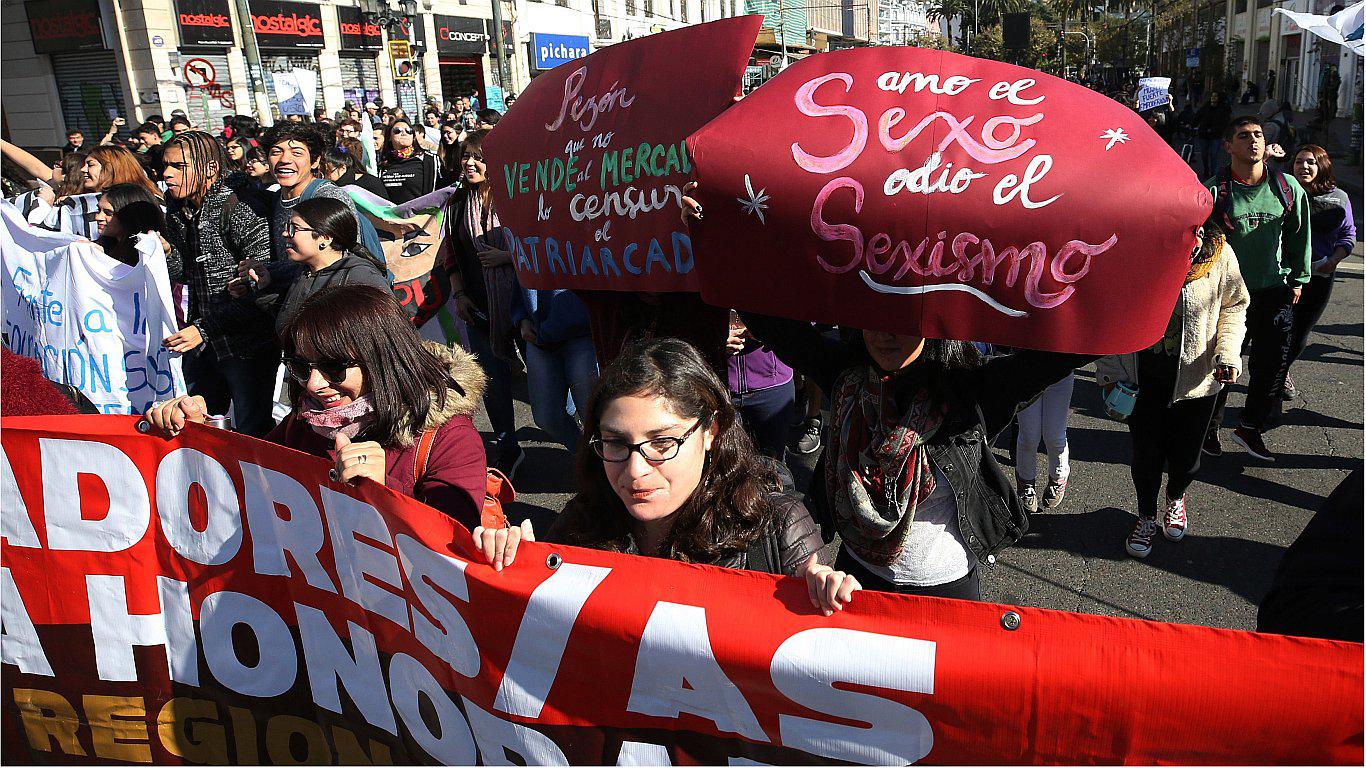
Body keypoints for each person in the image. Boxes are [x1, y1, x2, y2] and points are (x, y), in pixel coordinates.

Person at [470, 338, 843, 613]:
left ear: (711, 432)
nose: (635, 471)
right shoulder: (581, 524)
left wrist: (829, 597)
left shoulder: (776, 527)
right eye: (616, 443)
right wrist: (516, 574)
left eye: (663, 443)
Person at [145, 285, 490, 529]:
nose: (313, 384)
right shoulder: (306, 420)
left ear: (383, 361)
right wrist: (199, 434)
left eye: (334, 367)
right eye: (300, 366)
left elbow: (456, 551)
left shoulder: (448, 437)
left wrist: (385, 490)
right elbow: (251, 476)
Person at [1120, 223, 1249, 558]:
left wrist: (1228, 354)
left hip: (1198, 380)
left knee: (1187, 460)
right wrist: (1111, 372)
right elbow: (1112, 308)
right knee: (1146, 456)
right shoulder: (1137, 246)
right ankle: (1146, 516)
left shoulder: (1218, 253)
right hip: (1144, 378)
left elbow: (1234, 306)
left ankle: (1175, 497)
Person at [1202, 116, 1312, 462]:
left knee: (1272, 368)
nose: (1253, 141)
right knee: (1222, 363)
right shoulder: (1214, 192)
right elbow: (1199, 246)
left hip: (1273, 291)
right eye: (1243, 136)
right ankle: (1208, 429)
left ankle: (1250, 428)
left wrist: (1298, 279)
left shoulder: (1286, 187)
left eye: (1258, 135)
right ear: (1228, 146)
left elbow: (1299, 236)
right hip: (1228, 296)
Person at [160, 130, 279, 437]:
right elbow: (186, 273)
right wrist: (168, 253)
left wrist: (202, 329)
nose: (167, 174)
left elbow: (260, 287)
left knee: (254, 432)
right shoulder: (178, 207)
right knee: (196, 427)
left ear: (210, 168)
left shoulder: (241, 206)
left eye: (178, 166)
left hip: (246, 346)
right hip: (203, 345)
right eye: (165, 166)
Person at [441, 129, 523, 477]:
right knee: (493, 383)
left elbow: (539, 244)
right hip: (478, 305)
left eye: (479, 157)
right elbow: (451, 254)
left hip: (524, 306)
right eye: (466, 156)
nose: (470, 163)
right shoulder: (457, 203)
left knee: (547, 396)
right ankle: (508, 448)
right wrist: (459, 294)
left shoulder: (515, 194)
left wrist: (507, 257)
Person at [231, 195, 391, 334]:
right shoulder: (304, 273)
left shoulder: (361, 279)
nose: (285, 234)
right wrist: (266, 288)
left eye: (294, 228)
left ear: (325, 238)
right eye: (286, 227)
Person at [1282, 145, 1357, 400]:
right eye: (1299, 162)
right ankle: (1272, 377)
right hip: (1284, 275)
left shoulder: (1339, 198)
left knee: (1300, 332)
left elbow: (1348, 234)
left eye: (1311, 162)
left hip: (1320, 275)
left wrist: (1334, 260)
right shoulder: (1282, 192)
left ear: (1322, 166)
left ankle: (1282, 371)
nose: (1304, 167)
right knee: (1279, 329)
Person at [260, 121, 380, 264]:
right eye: (276, 152)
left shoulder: (329, 198)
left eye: (297, 153)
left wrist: (272, 272)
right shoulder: (275, 199)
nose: (284, 160)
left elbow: (345, 260)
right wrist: (265, 269)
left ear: (315, 161)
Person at [511, 285, 599, 452]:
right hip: (539, 332)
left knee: (594, 419)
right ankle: (588, 459)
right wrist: (521, 316)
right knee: (547, 418)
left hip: (584, 332)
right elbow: (520, 272)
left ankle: (601, 462)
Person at [726, 310, 796, 460]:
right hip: (715, 383)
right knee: (719, 463)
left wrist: (770, 329)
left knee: (771, 463)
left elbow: (805, 316)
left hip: (772, 384)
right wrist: (712, 335)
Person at [1014, 368, 1074, 513]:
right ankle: (1026, 483)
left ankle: (1058, 477)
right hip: (1026, 371)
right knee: (1029, 437)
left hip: (1061, 373)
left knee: (1054, 436)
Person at [93, 182, 165, 266]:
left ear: (129, 216)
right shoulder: (101, 248)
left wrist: (166, 254)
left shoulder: (146, 254)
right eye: (99, 210)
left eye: (108, 213)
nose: (98, 217)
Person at [378, 118, 440, 205]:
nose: (404, 133)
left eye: (409, 131)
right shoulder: (383, 163)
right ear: (389, 137)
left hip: (422, 212)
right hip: (392, 213)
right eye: (397, 130)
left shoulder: (429, 160)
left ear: (413, 136)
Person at [321, 141, 388, 200]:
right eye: (322, 171)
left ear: (343, 168)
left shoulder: (370, 183)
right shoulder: (326, 186)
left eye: (328, 171)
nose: (325, 176)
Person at [1192, 91, 1231, 176]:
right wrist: (1192, 125)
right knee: (1204, 154)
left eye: (1215, 96)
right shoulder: (1205, 108)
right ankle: (1206, 170)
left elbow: (1225, 123)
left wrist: (1218, 130)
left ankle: (1213, 174)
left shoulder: (1223, 110)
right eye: (1212, 96)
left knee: (1213, 155)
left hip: (1216, 135)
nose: (1213, 98)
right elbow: (1197, 117)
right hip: (1203, 134)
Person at [437, 121, 463, 186]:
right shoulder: (442, 151)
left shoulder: (463, 150)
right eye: (443, 133)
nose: (445, 136)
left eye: (449, 132)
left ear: (458, 133)